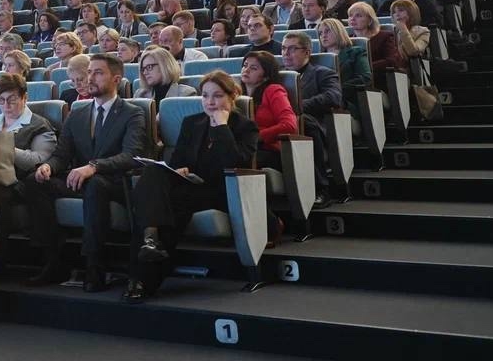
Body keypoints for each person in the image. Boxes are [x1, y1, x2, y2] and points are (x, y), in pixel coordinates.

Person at [123, 71, 258, 303]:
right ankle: (150, 241)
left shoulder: (245, 127)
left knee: (165, 206)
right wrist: (181, 169)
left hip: (222, 191)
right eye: (205, 96)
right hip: (191, 186)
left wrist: (221, 126)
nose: (210, 102)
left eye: (217, 96)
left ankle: (142, 277)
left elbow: (235, 163)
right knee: (154, 174)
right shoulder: (192, 122)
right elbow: (177, 161)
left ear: (232, 96)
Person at [22, 54, 149, 290]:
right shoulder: (77, 114)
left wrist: (94, 166)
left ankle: (94, 265)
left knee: (95, 184)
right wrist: (48, 166)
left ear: (116, 79)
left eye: (98, 73)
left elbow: (131, 156)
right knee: (35, 181)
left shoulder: (132, 113)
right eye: (89, 72)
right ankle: (53, 260)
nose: (90, 78)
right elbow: (61, 155)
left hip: (115, 182)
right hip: (82, 179)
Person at [0, 74, 57, 270]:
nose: (6, 106)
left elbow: (39, 160)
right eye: (1, 100)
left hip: (21, 183)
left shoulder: (39, 125)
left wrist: (3, 146)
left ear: (25, 97)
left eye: (12, 99)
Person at [283, 32, 342, 209]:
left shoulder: (322, 73)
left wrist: (297, 107)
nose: (286, 53)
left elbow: (333, 97)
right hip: (282, 123)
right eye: (284, 49)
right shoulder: (277, 75)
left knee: (304, 122)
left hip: (315, 123)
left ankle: (321, 188)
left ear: (307, 52)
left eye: (292, 49)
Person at [238, 51, 298, 171]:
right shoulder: (236, 94)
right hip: (246, 148)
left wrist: (256, 137)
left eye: (253, 68)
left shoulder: (273, 90)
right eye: (245, 65)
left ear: (266, 76)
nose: (246, 70)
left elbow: (290, 125)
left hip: (268, 150)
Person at [348, 1, 404, 87]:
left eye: (358, 16)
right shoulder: (347, 40)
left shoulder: (384, 36)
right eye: (351, 15)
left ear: (370, 20)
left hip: (380, 80)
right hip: (356, 80)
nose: (352, 18)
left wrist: (365, 67)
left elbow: (391, 61)